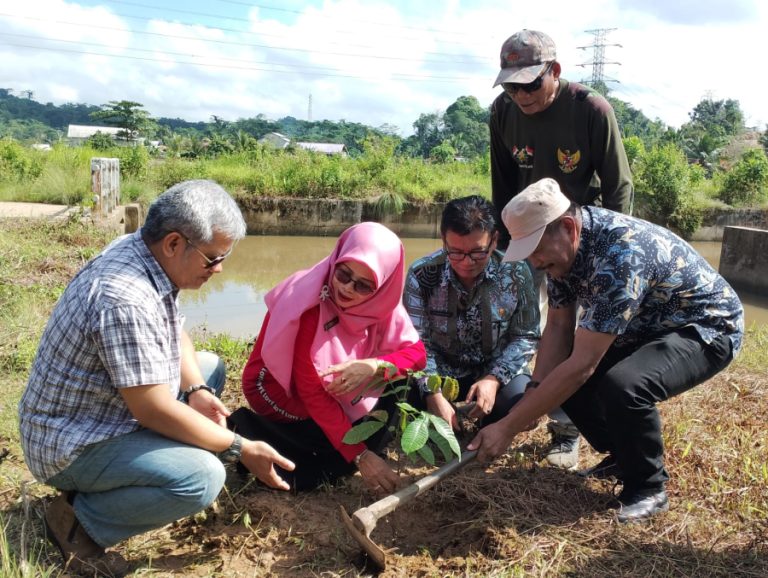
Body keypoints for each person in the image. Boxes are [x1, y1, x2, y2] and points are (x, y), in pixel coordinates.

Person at [18, 180, 295, 577]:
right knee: (203, 477)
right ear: (173, 243)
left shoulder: (144, 253)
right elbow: (152, 410)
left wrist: (197, 390)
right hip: (71, 442)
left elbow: (173, 326)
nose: (219, 270)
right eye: (213, 259)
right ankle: (79, 520)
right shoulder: (124, 297)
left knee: (209, 367)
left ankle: (135, 473)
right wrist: (240, 447)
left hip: (106, 410)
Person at [468, 178, 744, 523]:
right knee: (560, 380)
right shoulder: (562, 252)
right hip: (646, 327)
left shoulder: (620, 255)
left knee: (624, 385)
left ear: (567, 227)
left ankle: (647, 489)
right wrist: (534, 395)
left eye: (536, 249)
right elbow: (557, 326)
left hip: (706, 328)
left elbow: (582, 364)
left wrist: (508, 426)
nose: (535, 262)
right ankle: (621, 456)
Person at [489, 28, 635, 469]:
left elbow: (618, 186)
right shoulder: (501, 113)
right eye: (512, 85)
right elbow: (502, 183)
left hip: (579, 241)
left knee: (573, 333)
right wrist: (504, 243)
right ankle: (511, 405)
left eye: (530, 83)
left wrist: (609, 254)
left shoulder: (590, 109)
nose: (521, 95)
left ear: (555, 71)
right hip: (527, 236)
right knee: (523, 322)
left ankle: (566, 429)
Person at [231, 222, 426, 493]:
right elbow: (312, 393)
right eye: (343, 274)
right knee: (329, 451)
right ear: (334, 261)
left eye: (363, 286)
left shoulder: (383, 304)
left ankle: (342, 442)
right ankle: (250, 431)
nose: (346, 288)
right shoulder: (309, 305)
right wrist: (360, 455)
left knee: (403, 383)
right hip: (281, 390)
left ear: (381, 288)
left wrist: (374, 366)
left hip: (334, 384)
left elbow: (417, 355)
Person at [403, 195, 539, 430]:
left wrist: (494, 379)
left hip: (493, 368)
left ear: (494, 241)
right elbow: (416, 342)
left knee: (520, 405)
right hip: (441, 373)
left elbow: (525, 336)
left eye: (477, 253)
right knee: (397, 397)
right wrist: (432, 393)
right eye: (455, 252)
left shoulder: (516, 272)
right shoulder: (421, 275)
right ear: (443, 241)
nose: (466, 263)